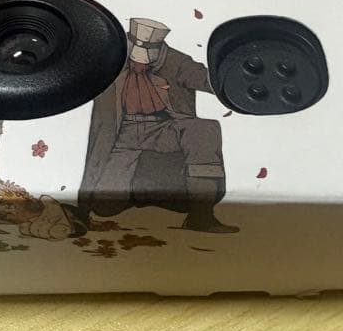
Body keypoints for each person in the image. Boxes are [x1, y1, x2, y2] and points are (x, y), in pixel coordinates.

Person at [79, 18, 238, 233]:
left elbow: (206, 79)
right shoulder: (108, 61)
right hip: (124, 134)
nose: (140, 65)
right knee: (105, 206)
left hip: (165, 128)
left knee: (202, 130)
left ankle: (202, 215)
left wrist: (236, 74)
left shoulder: (176, 61)